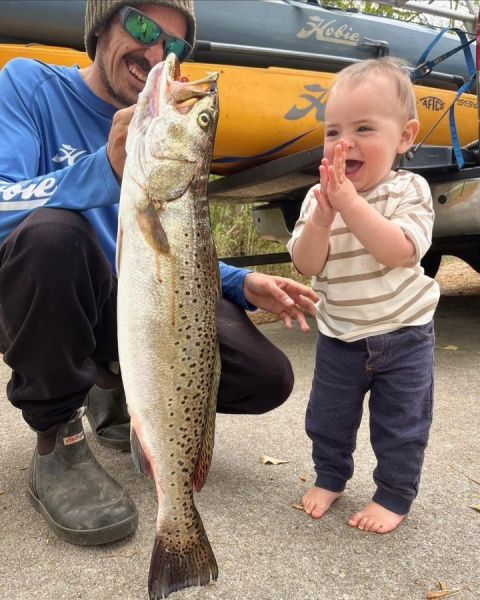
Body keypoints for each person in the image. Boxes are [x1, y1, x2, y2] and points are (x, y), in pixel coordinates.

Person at [0, 0, 319, 546]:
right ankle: (57, 439)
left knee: (266, 374)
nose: (155, 54)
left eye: (174, 47)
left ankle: (113, 384)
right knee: (54, 235)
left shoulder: (159, 132)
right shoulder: (29, 84)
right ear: (100, 24)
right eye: (142, 27)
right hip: (50, 292)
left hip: (135, 306)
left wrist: (243, 282)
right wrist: (104, 167)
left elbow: (164, 243)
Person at [287, 57, 440, 534]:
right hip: (340, 337)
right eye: (333, 132)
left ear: (405, 137)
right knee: (328, 418)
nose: (344, 142)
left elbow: (398, 250)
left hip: (405, 336)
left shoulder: (409, 190)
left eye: (364, 128)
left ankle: (394, 495)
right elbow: (306, 264)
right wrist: (321, 218)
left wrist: (350, 205)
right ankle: (330, 476)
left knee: (401, 425)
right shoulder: (319, 199)